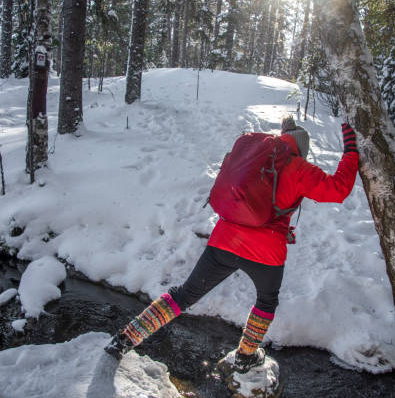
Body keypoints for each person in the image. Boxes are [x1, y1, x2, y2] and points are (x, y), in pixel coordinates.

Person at [105, 117, 359, 374]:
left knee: (184, 294)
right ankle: (245, 356)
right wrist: (350, 149)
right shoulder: (299, 168)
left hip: (225, 241)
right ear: (302, 149)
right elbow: (338, 189)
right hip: (266, 252)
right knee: (266, 301)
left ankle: (125, 339)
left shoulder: (257, 153)